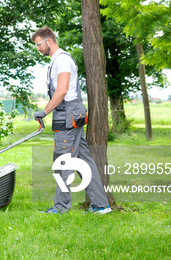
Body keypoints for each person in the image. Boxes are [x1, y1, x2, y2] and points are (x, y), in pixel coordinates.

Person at [31, 26, 111, 215]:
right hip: (68, 114)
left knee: (62, 161)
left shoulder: (63, 60)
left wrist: (44, 111)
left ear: (49, 41)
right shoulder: (56, 61)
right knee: (84, 162)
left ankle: (60, 207)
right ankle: (101, 205)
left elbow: (62, 90)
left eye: (39, 44)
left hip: (67, 115)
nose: (38, 48)